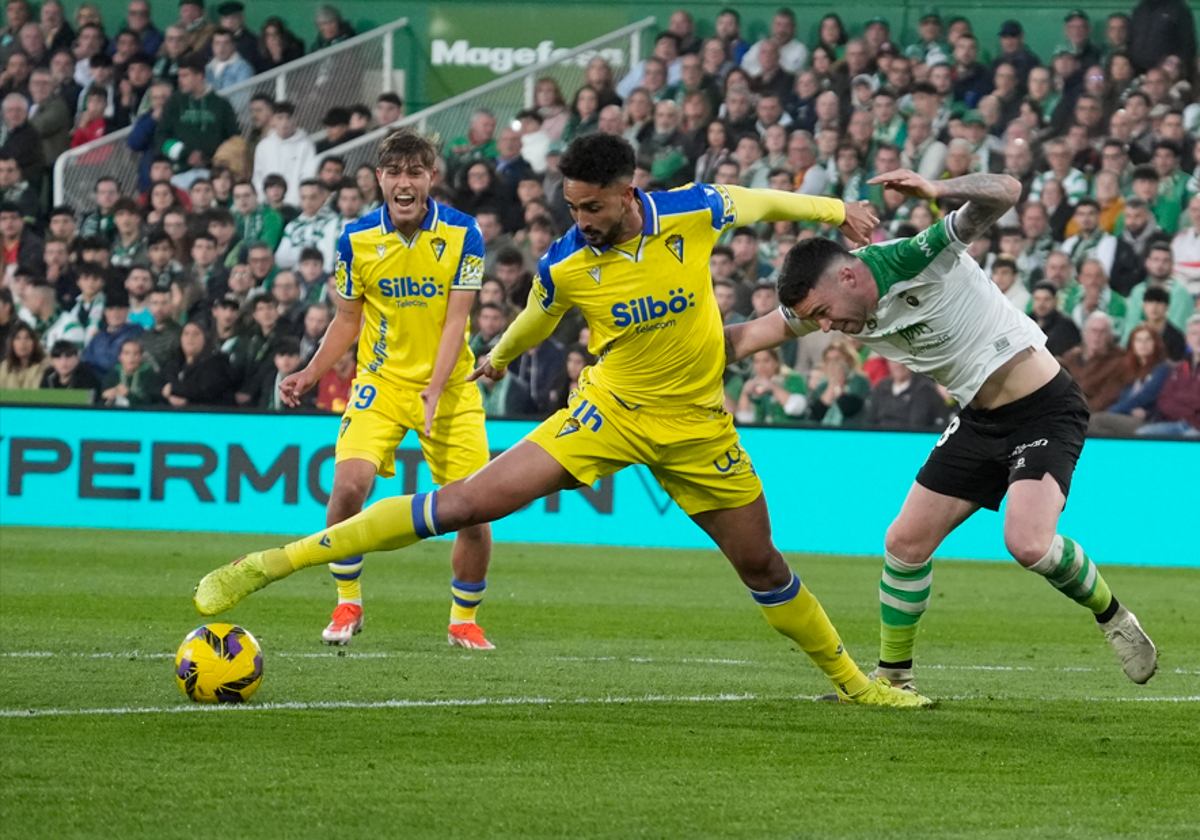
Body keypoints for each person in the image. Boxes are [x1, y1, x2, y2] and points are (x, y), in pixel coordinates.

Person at [194, 132, 930, 709]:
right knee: (462, 504)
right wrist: (500, 358)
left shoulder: (692, 211)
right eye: (572, 208)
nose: (580, 222)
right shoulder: (566, 262)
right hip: (606, 414)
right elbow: (533, 320)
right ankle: (266, 565)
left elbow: (766, 202)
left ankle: (854, 682)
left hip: (700, 426)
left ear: (626, 193)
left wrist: (838, 211)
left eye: (592, 209)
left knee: (762, 564)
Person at [726, 168, 1158, 694]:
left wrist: (937, 189)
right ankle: (894, 681)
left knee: (1028, 544)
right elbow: (745, 337)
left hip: (1045, 407)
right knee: (904, 542)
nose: (823, 327)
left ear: (847, 276)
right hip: (978, 419)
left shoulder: (916, 255)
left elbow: (1007, 192)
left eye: (821, 313)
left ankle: (1112, 616)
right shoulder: (834, 309)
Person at [266, 130, 495, 649]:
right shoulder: (356, 237)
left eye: (415, 172)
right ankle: (348, 601)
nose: (404, 182)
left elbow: (458, 320)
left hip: (451, 388)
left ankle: (464, 618)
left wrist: (436, 389)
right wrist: (311, 370)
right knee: (348, 486)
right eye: (395, 172)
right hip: (381, 383)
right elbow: (347, 320)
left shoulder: (464, 233)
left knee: (475, 512)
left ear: (431, 178)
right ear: (380, 179)